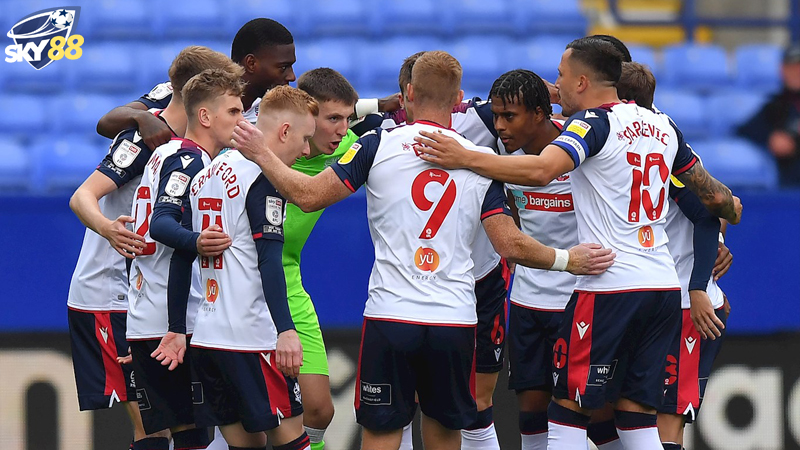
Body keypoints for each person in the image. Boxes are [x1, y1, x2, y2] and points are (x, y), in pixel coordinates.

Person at [231, 50, 614, 450]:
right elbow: (509, 244)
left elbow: (307, 196)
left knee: (382, 434)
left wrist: (261, 153)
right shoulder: (480, 160)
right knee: (445, 434)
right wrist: (569, 259)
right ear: (458, 98)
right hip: (454, 321)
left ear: (409, 92)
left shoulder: (377, 144)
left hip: (390, 316)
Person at [413, 38, 742, 450]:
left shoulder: (593, 125)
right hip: (660, 288)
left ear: (582, 81)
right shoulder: (664, 125)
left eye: (562, 77)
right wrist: (732, 209)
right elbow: (714, 198)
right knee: (637, 418)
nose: (557, 86)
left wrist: (465, 157)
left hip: (609, 284)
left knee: (568, 411)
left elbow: (541, 171)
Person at [67, 46, 243, 450]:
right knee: (154, 427)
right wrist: (109, 229)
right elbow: (82, 197)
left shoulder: (193, 144)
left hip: (150, 293)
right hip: (109, 294)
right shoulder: (145, 139)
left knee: (186, 424)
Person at [188, 85, 318, 450]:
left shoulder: (206, 174)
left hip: (208, 337)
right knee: (293, 441)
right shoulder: (263, 177)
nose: (307, 150)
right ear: (285, 131)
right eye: (305, 138)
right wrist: (286, 330)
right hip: (251, 339)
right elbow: (269, 260)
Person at [126, 67, 245, 450]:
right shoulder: (191, 162)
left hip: (148, 312)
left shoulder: (164, 153)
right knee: (193, 434)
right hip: (175, 318)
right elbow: (161, 224)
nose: (241, 120)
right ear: (206, 116)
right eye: (234, 111)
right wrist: (198, 242)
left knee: (168, 432)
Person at [617, 60, 734, 450]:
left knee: (667, 423)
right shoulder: (661, 138)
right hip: (662, 302)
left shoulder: (660, 145)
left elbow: (710, 212)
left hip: (686, 307)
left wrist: (700, 287)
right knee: (637, 417)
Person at [282, 67, 360, 450]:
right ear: (307, 115)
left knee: (319, 410)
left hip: (289, 282)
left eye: (348, 119)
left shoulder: (349, 150)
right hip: (234, 288)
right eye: (333, 119)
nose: (343, 129)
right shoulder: (264, 147)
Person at [97, 18, 297, 150]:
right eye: (283, 67)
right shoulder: (193, 91)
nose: (292, 76)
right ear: (251, 63)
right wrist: (142, 117)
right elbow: (106, 123)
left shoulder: (271, 113)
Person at [737, 43, 800, 187]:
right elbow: (744, 129)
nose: (797, 72)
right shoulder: (776, 106)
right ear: (782, 70)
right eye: (792, 67)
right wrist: (770, 138)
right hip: (791, 187)